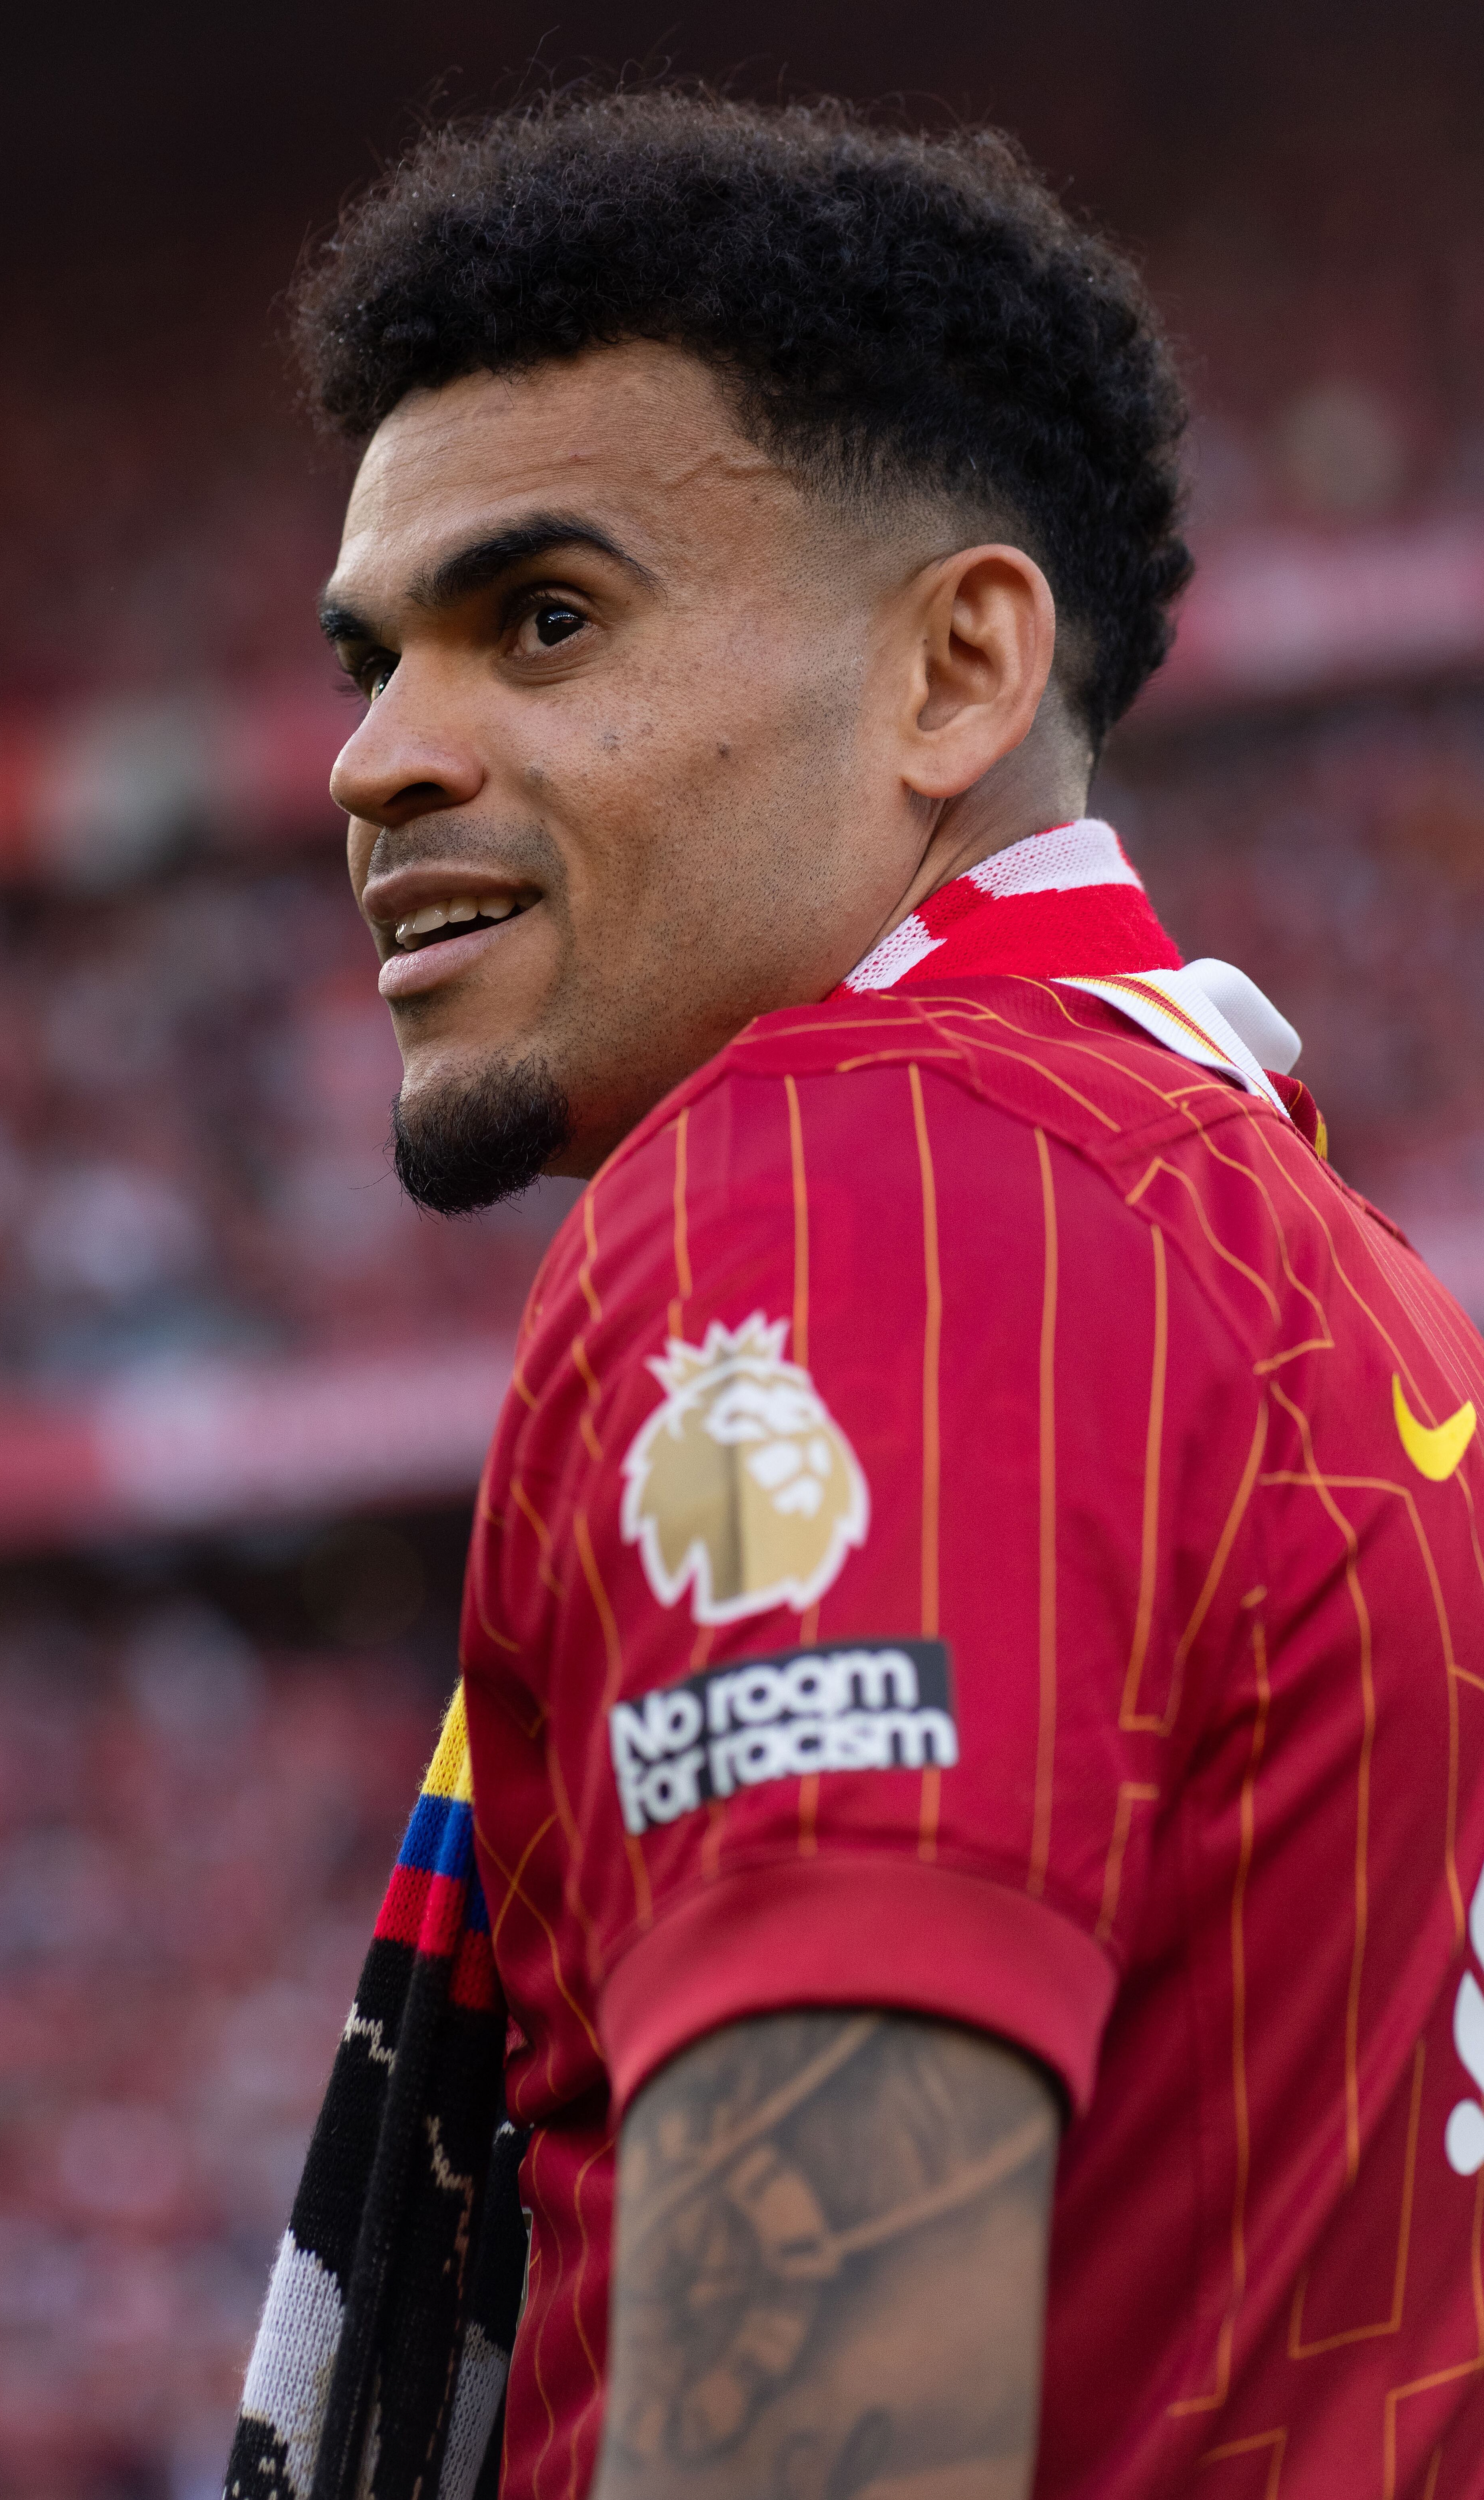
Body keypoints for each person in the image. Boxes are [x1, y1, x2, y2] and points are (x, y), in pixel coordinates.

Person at [234, 88, 1484, 2500]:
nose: (374, 763)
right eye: (370, 660)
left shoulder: (854, 1193)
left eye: (544, 620)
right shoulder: (1312, 1266)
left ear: (953, 672)